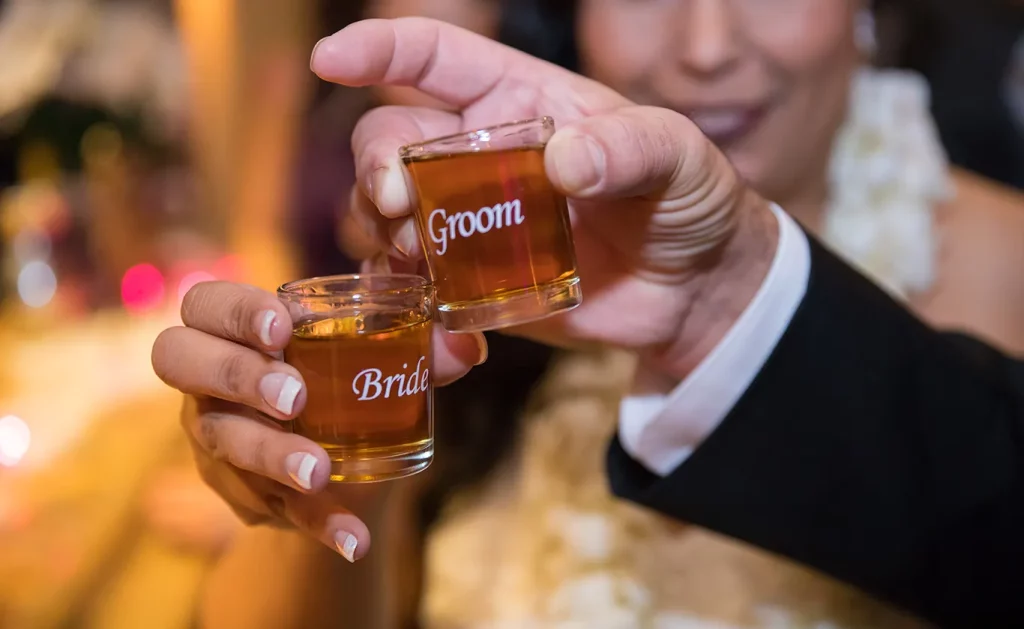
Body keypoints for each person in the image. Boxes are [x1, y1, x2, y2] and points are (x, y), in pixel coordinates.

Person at [151, 10, 1024, 629]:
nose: (706, 46)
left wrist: (718, 300)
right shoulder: (489, 264)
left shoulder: (1008, 264)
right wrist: (333, 473)